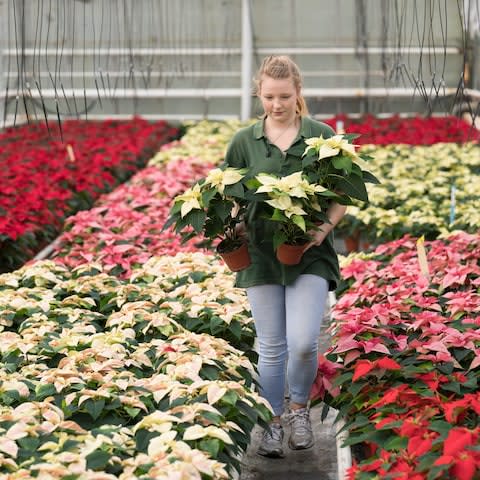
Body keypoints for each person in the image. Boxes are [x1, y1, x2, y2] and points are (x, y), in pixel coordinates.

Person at [223, 55, 347, 458]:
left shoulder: (320, 135)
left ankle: (299, 410)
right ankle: (274, 422)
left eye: (285, 97)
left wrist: (320, 233)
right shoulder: (244, 141)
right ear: (259, 93)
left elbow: (342, 197)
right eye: (270, 97)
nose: (277, 105)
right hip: (259, 253)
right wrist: (230, 226)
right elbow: (231, 195)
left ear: (298, 94)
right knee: (272, 345)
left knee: (304, 342)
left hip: (310, 254)